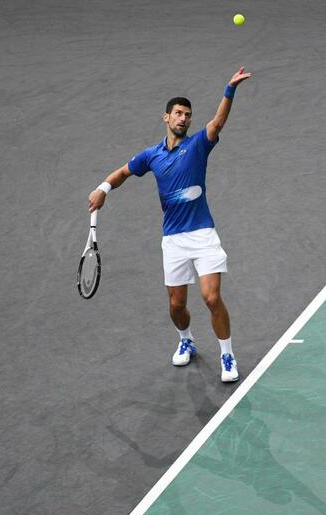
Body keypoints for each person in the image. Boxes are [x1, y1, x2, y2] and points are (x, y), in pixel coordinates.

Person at [88, 66, 252, 383]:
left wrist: (229, 89)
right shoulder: (151, 156)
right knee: (176, 305)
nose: (183, 119)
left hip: (203, 234)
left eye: (187, 115)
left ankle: (227, 355)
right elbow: (122, 173)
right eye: (178, 113)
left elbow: (218, 122)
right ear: (166, 117)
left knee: (211, 298)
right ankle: (186, 340)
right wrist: (103, 189)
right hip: (173, 240)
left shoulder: (199, 145)